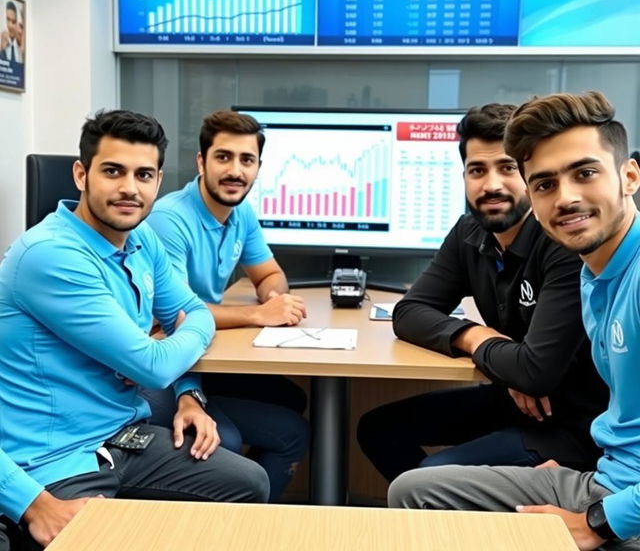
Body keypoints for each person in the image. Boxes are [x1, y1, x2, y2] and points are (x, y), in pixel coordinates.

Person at [0, 110, 269, 550]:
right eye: (113, 171)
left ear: (158, 181)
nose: (129, 188)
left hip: (121, 434)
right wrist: (179, 337)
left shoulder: (143, 239)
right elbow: (153, 364)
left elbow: (189, 311)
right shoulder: (51, 256)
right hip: (53, 461)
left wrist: (185, 372)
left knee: (248, 483)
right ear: (81, 174)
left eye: (143, 174)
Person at [389, 90, 640, 550]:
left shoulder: (592, 262)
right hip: (609, 471)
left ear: (629, 176)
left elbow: (536, 369)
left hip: (611, 489)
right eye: (545, 183)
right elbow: (409, 312)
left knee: (426, 485)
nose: (566, 198)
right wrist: (487, 341)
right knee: (410, 484)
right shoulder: (594, 269)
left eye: (585, 173)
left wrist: (598, 521)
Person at [357, 102, 607, 484]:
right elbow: (409, 312)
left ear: (530, 174)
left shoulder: (562, 241)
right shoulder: (469, 233)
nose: (491, 185)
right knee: (377, 429)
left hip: (575, 425)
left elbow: (536, 373)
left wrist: (516, 366)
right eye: (477, 170)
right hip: (513, 399)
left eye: (507, 168)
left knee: (430, 476)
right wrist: (480, 335)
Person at [146, 110, 309, 502]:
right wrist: (257, 315)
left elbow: (270, 274)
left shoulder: (240, 213)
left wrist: (274, 298)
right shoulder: (171, 219)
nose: (235, 170)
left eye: (246, 160)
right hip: (162, 365)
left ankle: (249, 520)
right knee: (229, 440)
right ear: (201, 162)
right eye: (223, 157)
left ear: (257, 168)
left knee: (294, 403)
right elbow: (174, 315)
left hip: (200, 356)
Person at [0, 0, 23, 64]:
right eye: (8, 20)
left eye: (14, 22)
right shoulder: (1, 46)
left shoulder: (21, 49)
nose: (10, 26)